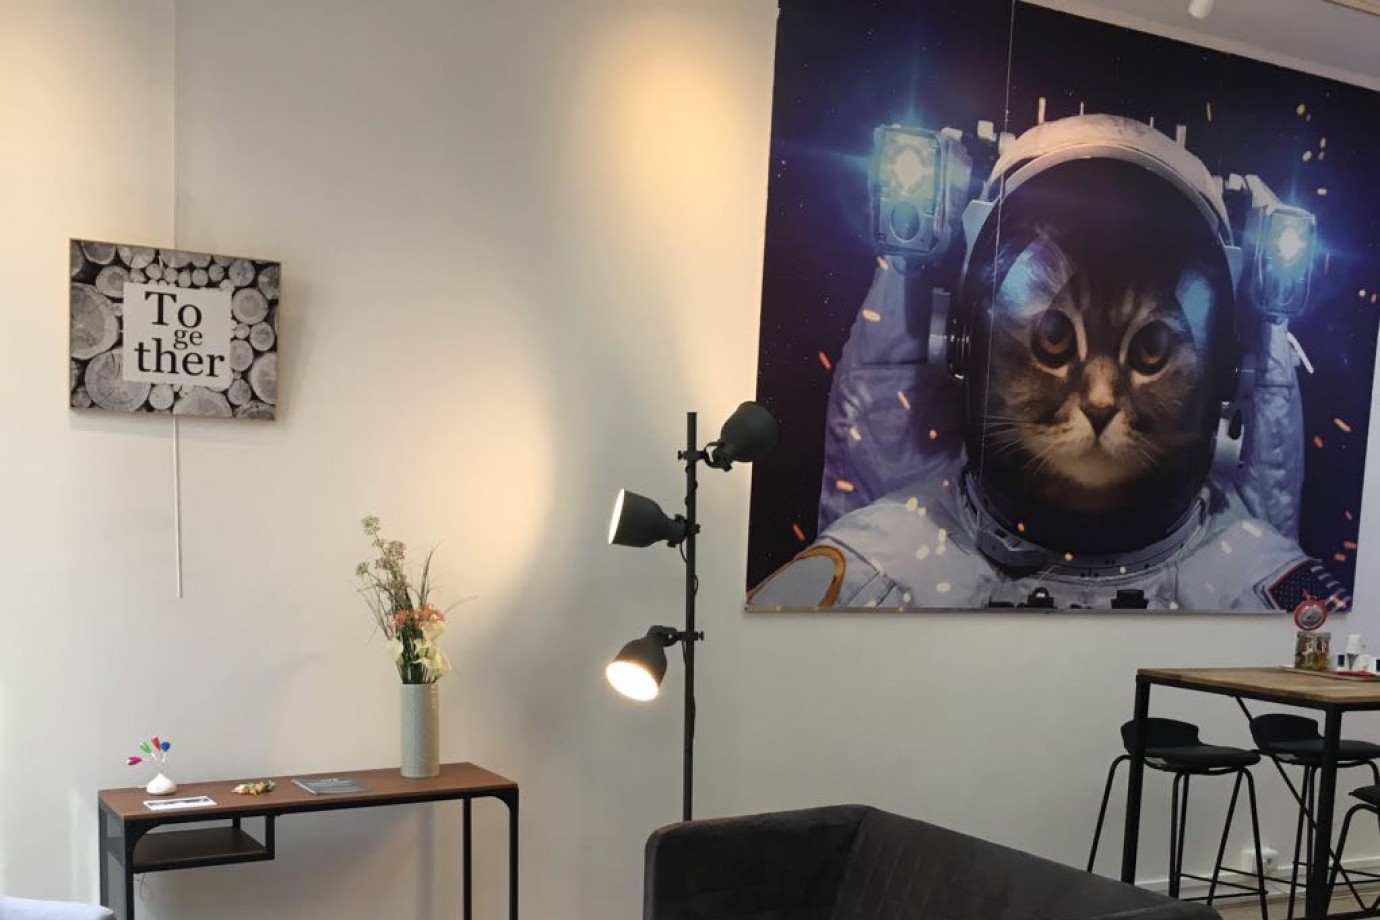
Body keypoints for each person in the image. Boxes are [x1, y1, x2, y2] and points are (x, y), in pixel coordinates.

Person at [750, 115, 1349, 612]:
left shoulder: (1270, 588)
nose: (1100, 398)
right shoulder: (876, 572)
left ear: (1232, 378)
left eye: (1151, 351)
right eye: (1053, 338)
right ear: (958, 345)